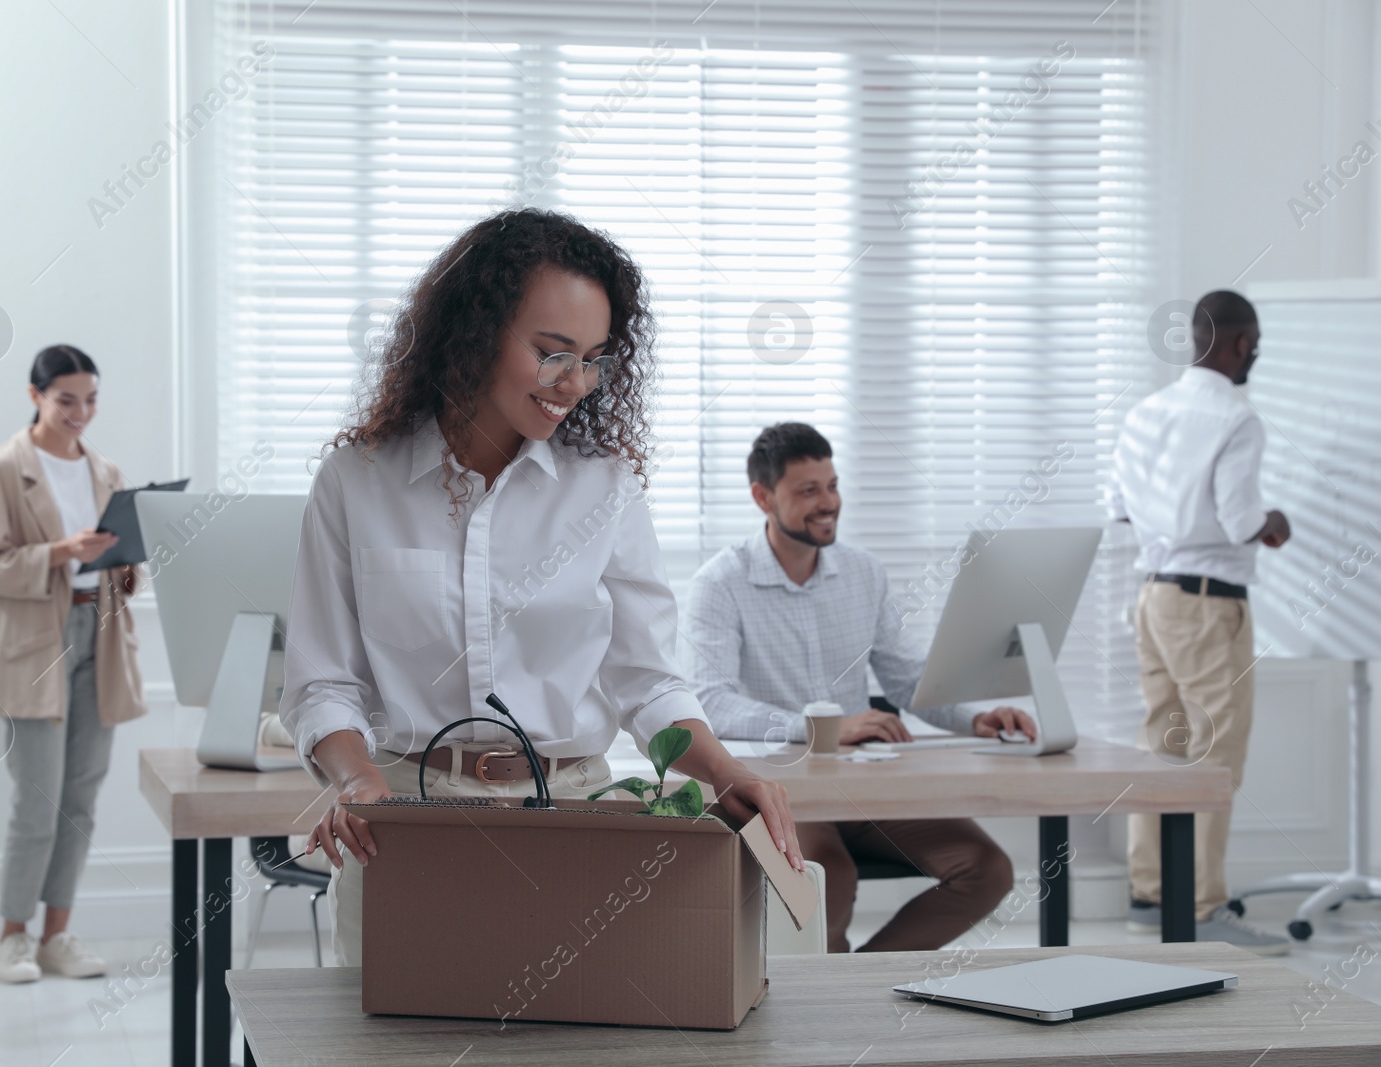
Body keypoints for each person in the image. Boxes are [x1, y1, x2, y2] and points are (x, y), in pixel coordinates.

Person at [279, 208, 805, 966]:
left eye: (592, 359)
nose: (575, 384)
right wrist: (358, 779)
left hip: (571, 818)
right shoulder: (358, 482)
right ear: (474, 331)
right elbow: (323, 679)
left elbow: (645, 678)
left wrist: (727, 772)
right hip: (402, 823)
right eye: (553, 353)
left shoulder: (605, 488)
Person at [685, 422, 1032, 952]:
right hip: (789, 791)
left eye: (832, 485)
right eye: (808, 491)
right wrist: (824, 729)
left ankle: (869, 983)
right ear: (762, 497)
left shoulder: (863, 572)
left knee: (987, 868)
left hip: (869, 788)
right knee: (832, 879)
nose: (828, 503)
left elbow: (907, 675)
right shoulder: (720, 583)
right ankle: (828, 1008)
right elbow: (712, 701)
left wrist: (973, 719)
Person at [1110, 289, 1292, 955]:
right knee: (1214, 752)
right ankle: (1203, 907)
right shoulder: (1236, 418)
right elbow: (1243, 518)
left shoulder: (1144, 412)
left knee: (1163, 742)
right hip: (1209, 601)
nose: (1254, 357)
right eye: (1255, 345)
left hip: (1153, 597)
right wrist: (1274, 522)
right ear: (1242, 342)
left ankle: (1149, 895)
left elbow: (1119, 507)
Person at [0, 345, 147, 983]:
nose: (80, 412)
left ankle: (58, 935)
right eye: (66, 399)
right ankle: (13, 936)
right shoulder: (2, 469)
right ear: (35, 396)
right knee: (36, 799)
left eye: (91, 399)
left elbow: (128, 576)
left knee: (80, 798)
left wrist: (126, 561)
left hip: (98, 639)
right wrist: (60, 551)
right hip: (33, 647)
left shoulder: (106, 470)